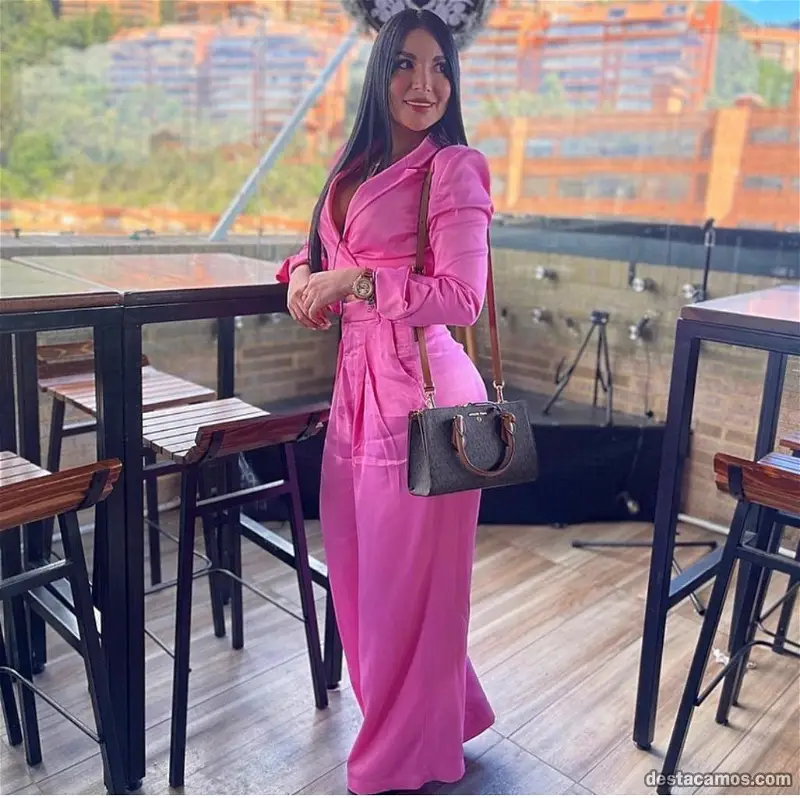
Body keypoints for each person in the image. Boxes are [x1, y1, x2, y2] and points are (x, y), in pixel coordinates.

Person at [275, 8, 495, 794]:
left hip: (423, 399)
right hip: (356, 397)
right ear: (380, 74)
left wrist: (359, 283)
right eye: (406, 64)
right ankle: (443, 714)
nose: (424, 83)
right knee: (362, 580)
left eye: (439, 67)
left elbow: (463, 297)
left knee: (407, 592)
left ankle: (402, 758)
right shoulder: (358, 163)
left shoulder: (455, 168)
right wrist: (303, 275)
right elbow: (322, 250)